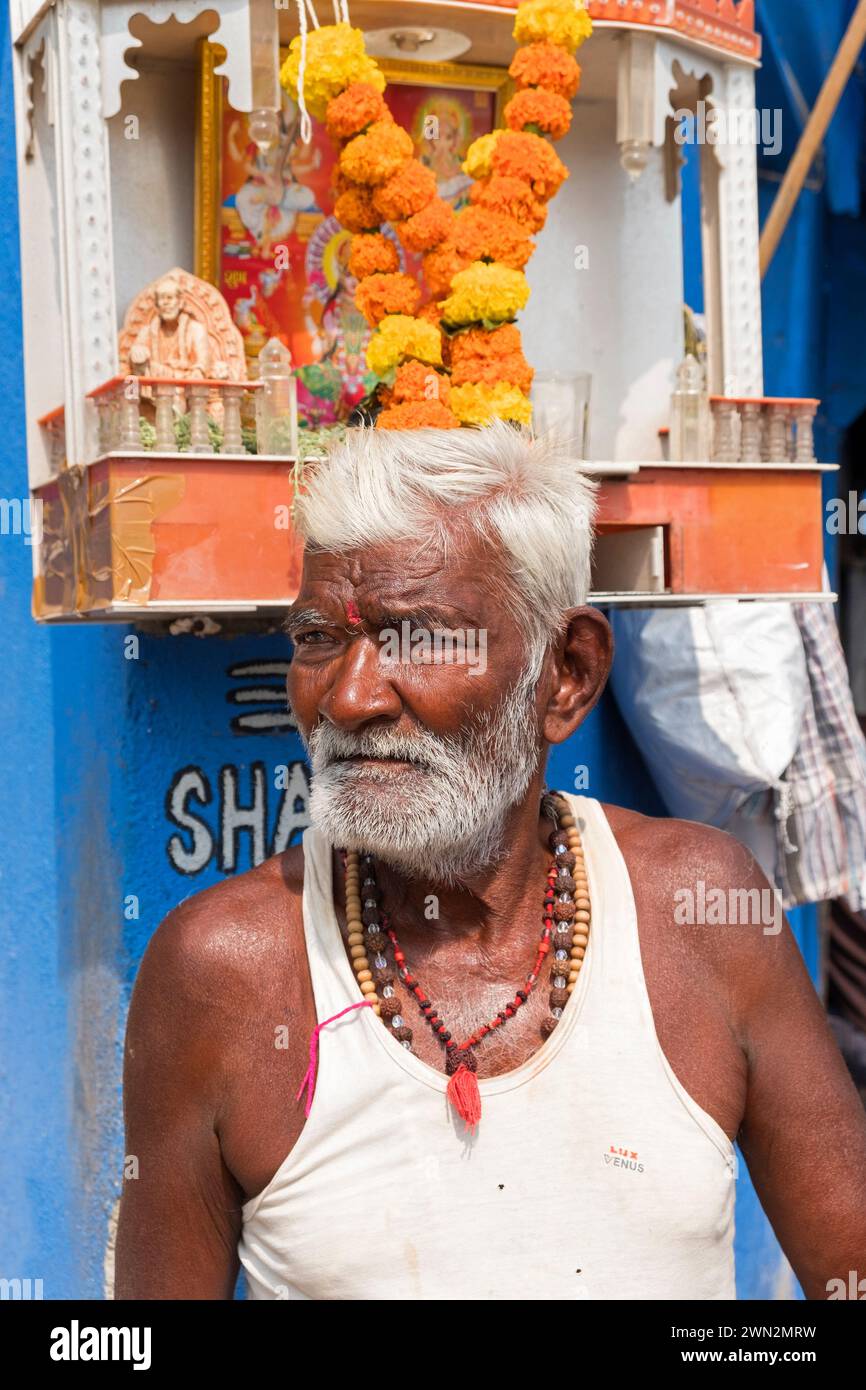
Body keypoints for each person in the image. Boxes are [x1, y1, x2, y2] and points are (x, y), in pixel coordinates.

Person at [114, 422, 866, 1300]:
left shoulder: (699, 910)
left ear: (567, 675)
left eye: (422, 638)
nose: (350, 697)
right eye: (318, 636)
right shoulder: (223, 970)